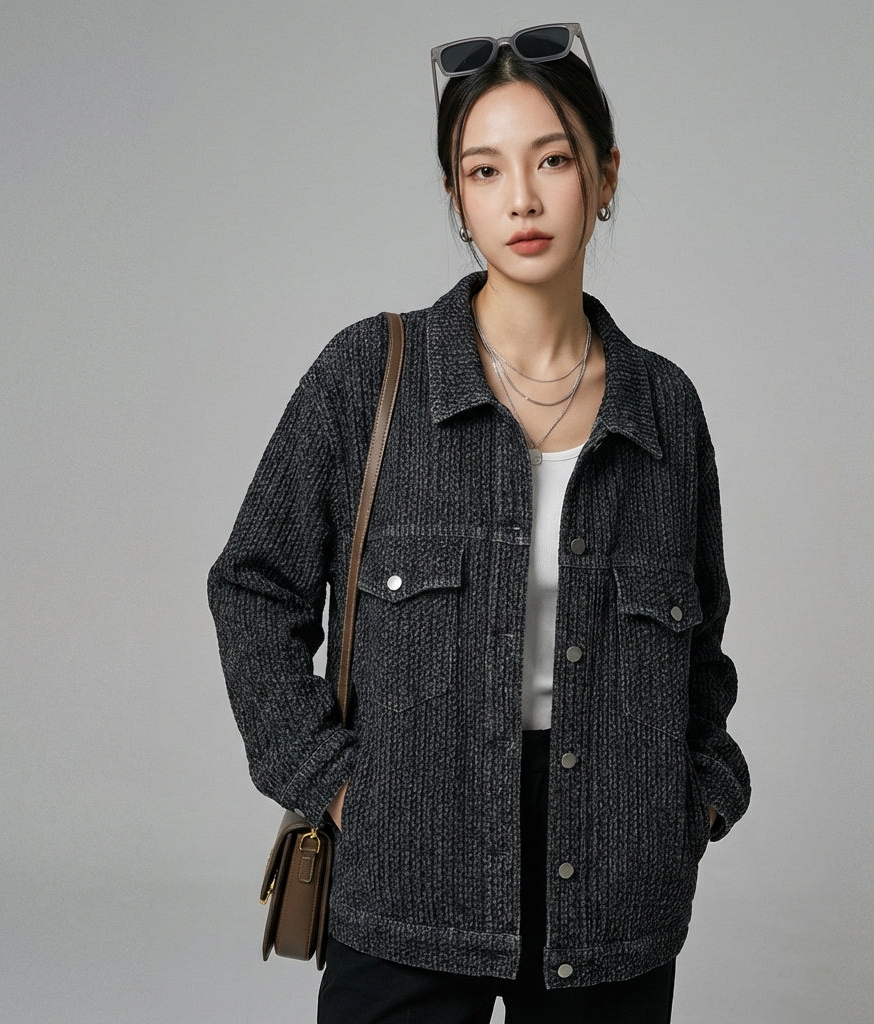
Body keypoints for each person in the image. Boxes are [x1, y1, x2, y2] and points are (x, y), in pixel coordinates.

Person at [208, 22, 750, 1024]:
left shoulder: (664, 408)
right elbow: (252, 585)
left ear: (605, 174)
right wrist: (337, 785)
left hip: (614, 895)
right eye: (484, 170)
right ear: (457, 198)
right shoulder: (367, 377)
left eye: (553, 160)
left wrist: (696, 798)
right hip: (406, 872)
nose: (522, 199)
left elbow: (701, 644)